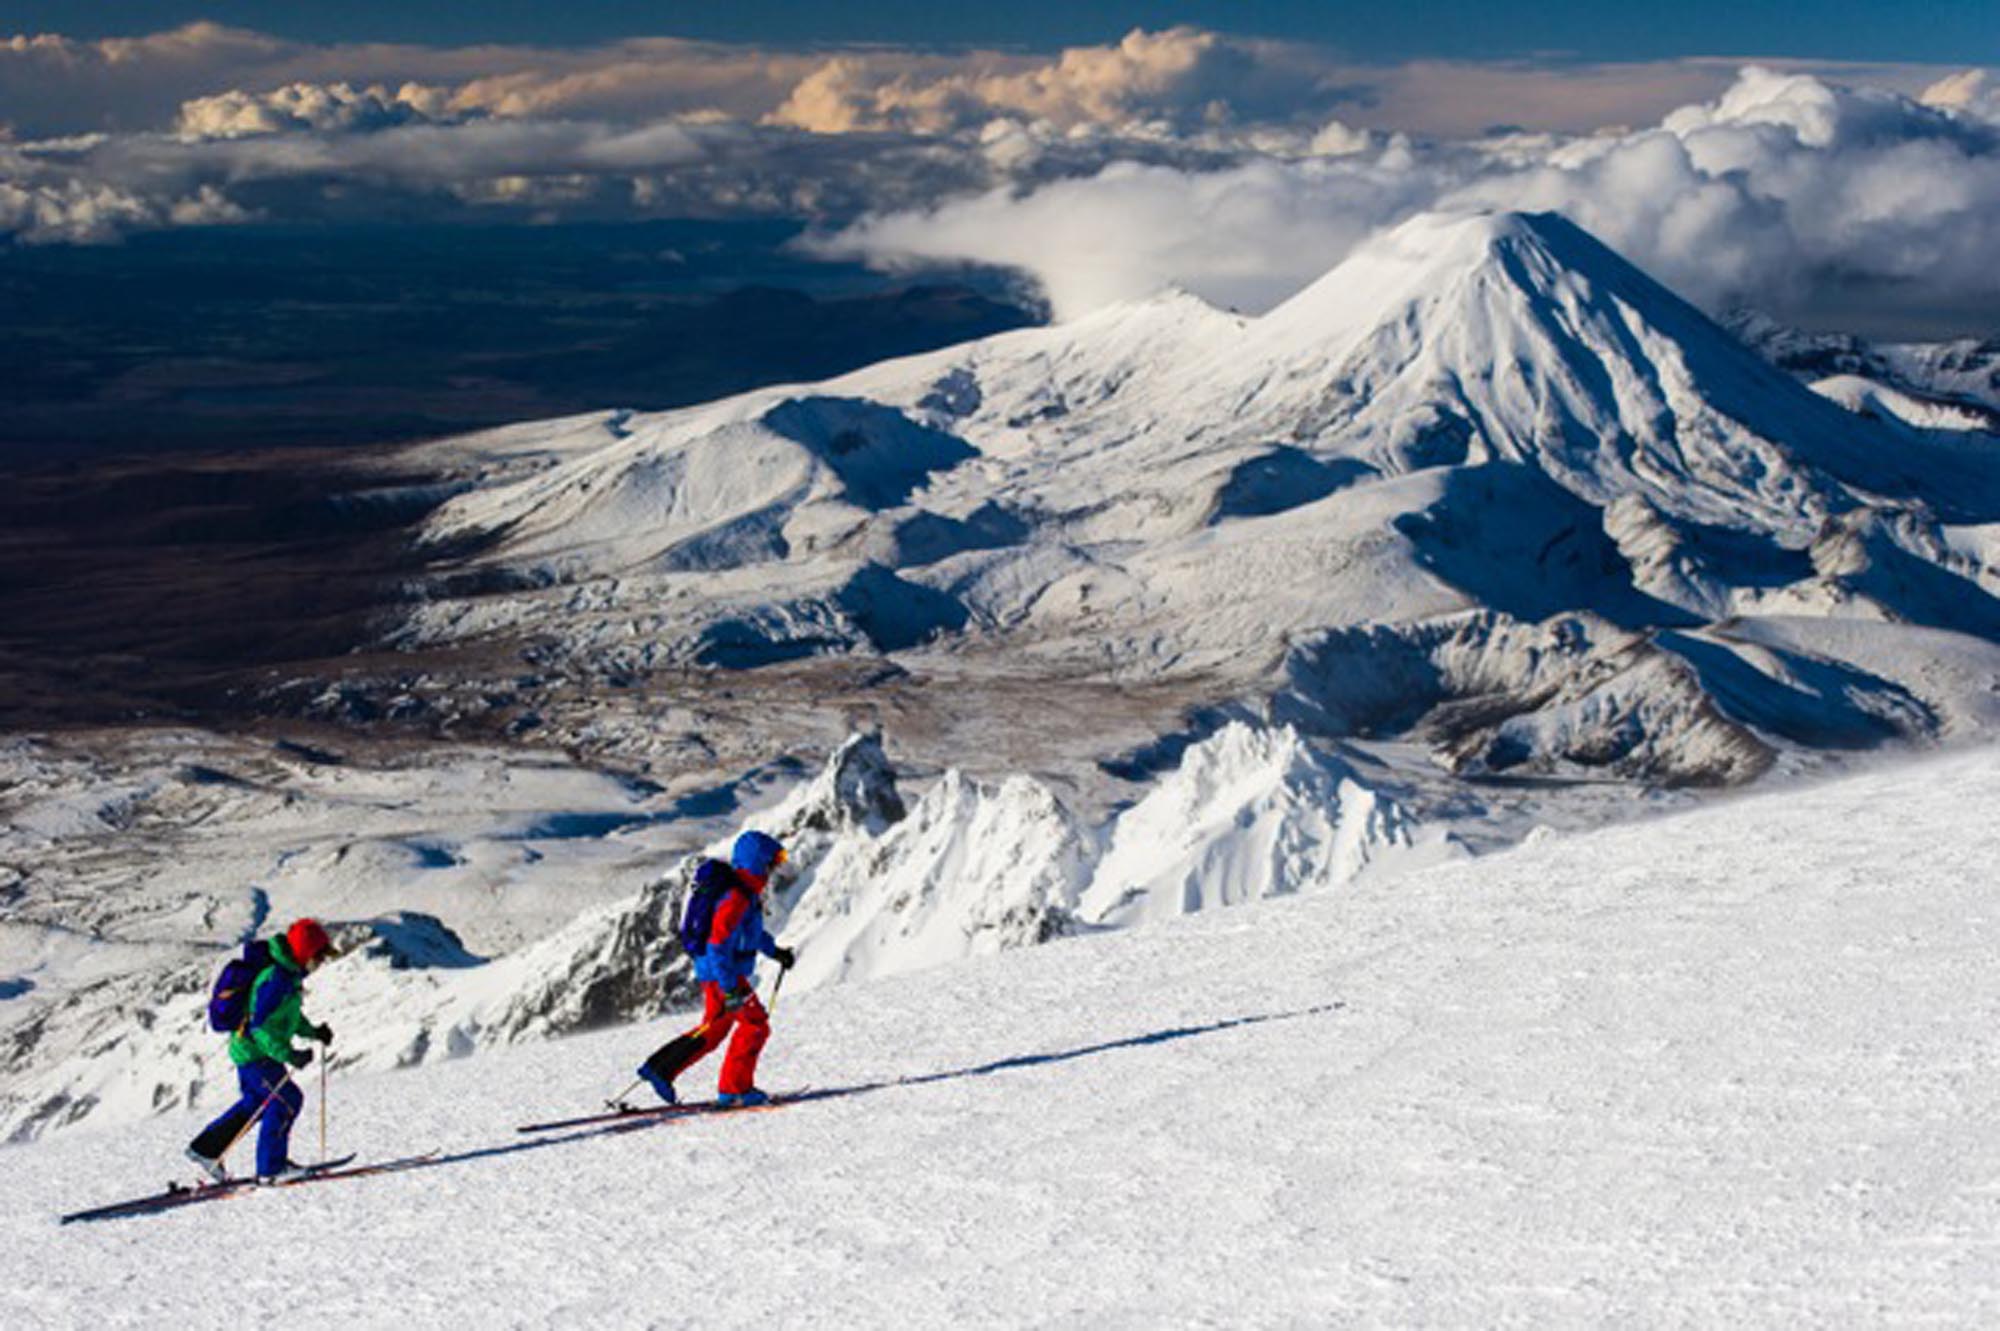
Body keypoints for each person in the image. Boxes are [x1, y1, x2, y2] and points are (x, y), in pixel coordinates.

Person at [637, 831, 796, 1107]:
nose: (774, 869)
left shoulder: (746, 894)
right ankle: (735, 1089)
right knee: (754, 1024)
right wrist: (730, 987)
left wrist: (776, 952)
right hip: (724, 974)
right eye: (773, 862)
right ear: (758, 863)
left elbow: (753, 935)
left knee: (713, 1030)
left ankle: (660, 1069)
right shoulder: (737, 897)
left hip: (717, 974)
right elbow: (717, 945)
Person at [186, 918, 336, 1183]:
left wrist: (313, 1031)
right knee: (286, 1100)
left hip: (251, 1052)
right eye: (319, 956)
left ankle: (207, 1150)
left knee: (255, 1104)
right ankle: (271, 1169)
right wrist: (289, 1055)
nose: (321, 962)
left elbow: (286, 1016)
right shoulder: (276, 979)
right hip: (257, 1053)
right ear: (305, 952)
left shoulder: (287, 976)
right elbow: (261, 1026)